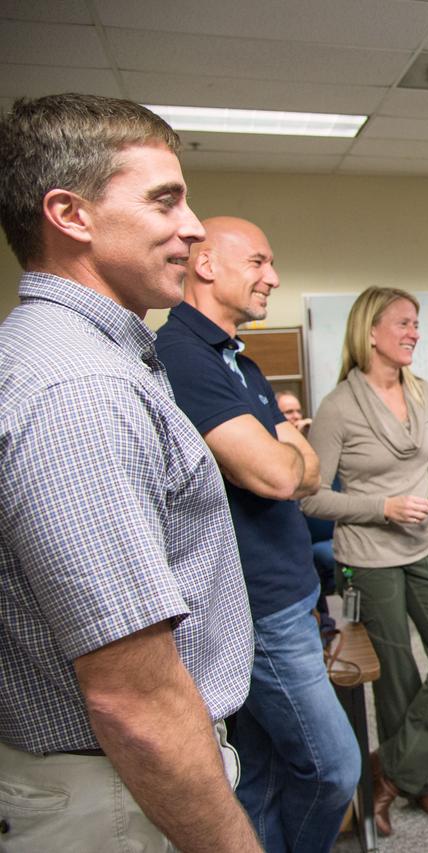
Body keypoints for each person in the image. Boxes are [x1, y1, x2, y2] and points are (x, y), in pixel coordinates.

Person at [0, 94, 260, 851]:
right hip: (115, 797)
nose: (193, 226)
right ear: (70, 215)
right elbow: (131, 696)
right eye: (164, 200)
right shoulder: (82, 388)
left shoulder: (70, 355)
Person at [155, 216, 361, 852]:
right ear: (207, 265)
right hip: (258, 607)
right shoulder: (182, 357)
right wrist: (283, 452)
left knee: (266, 772)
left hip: (290, 590)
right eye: (259, 263)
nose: (273, 278)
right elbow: (278, 474)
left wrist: (285, 453)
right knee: (334, 768)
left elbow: (309, 466)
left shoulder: (232, 356)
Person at [301, 287, 428, 836]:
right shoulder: (336, 408)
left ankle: (389, 772)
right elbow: (310, 499)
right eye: (403, 323)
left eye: (417, 323)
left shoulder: (423, 392)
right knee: (397, 677)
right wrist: (381, 506)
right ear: (370, 331)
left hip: (425, 545)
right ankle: (422, 781)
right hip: (369, 558)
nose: (414, 333)